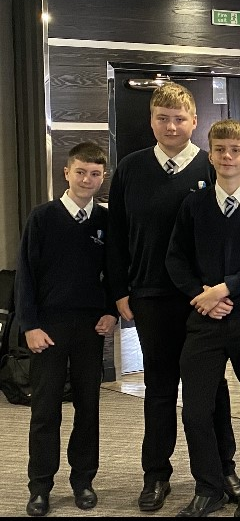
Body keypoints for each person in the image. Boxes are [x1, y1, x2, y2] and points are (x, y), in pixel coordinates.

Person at [107, 82, 239, 512]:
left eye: (179, 119)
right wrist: (119, 291)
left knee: (212, 389)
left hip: (201, 300)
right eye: (162, 118)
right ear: (151, 121)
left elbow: (228, 235)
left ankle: (224, 470)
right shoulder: (130, 168)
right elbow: (116, 235)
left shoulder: (211, 166)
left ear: (194, 122)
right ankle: (156, 475)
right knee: (160, 388)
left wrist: (219, 291)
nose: (171, 126)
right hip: (149, 296)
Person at [166, 119, 240, 517]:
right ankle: (209, 486)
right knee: (196, 410)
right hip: (204, 319)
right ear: (211, 155)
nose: (227, 157)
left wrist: (224, 289)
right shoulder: (194, 204)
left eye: (235, 150)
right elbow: (176, 259)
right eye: (219, 150)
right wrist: (202, 297)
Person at [16, 142, 117, 517]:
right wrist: (30, 325)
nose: (87, 179)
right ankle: (40, 486)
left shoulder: (106, 221)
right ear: (67, 173)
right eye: (80, 172)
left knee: (88, 407)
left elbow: (116, 272)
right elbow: (25, 276)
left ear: (102, 177)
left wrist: (112, 312)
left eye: (95, 174)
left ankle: (83, 480)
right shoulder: (42, 217)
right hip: (49, 327)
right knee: (45, 409)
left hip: (90, 327)